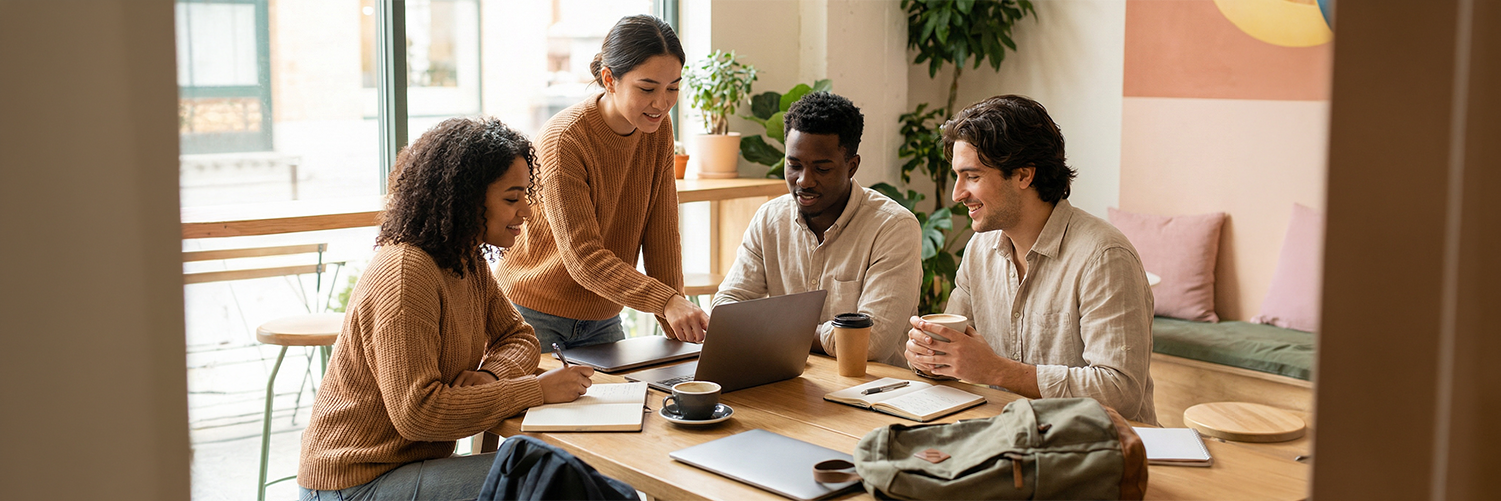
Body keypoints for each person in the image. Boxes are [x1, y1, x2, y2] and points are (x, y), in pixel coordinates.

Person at [298, 117, 596, 500]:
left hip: (406, 468)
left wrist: (491, 375)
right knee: (549, 476)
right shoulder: (407, 275)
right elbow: (418, 412)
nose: (526, 211)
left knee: (553, 468)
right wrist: (533, 391)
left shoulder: (465, 259)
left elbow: (519, 336)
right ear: (467, 200)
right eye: (511, 198)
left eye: (526, 194)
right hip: (355, 484)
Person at [903, 95, 1158, 424]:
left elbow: (1120, 391)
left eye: (973, 176)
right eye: (957, 176)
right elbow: (956, 348)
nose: (957, 194)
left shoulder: (1104, 257)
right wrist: (929, 356)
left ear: (1023, 175)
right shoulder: (980, 249)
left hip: (1102, 452)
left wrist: (997, 370)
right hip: (1011, 440)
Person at [495, 14, 708, 350]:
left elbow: (661, 230)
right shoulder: (564, 140)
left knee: (635, 400)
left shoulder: (658, 130)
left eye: (673, 88)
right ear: (609, 79)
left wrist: (677, 323)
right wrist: (666, 301)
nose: (662, 103)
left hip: (603, 316)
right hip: (533, 314)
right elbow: (583, 257)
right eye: (647, 88)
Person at [713, 92, 922, 366]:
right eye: (794, 165)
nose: (804, 181)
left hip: (872, 393)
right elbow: (726, 309)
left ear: (852, 167)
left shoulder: (893, 228)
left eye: (822, 168)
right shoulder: (770, 219)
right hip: (789, 380)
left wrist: (771, 328)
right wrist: (825, 335)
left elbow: (871, 343)